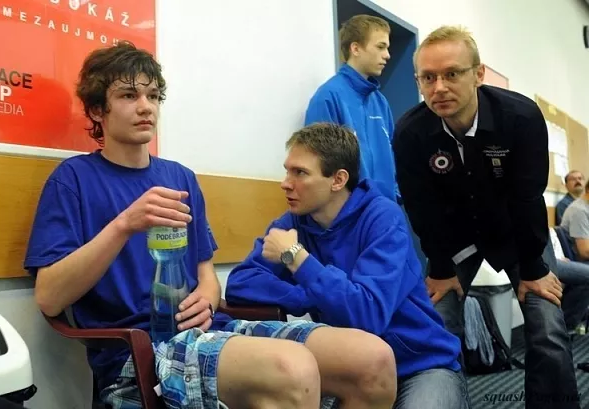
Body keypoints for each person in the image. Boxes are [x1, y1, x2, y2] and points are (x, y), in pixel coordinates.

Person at [23, 41, 398, 409]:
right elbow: (50, 296)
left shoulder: (180, 178)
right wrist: (124, 224)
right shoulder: (72, 179)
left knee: (372, 359)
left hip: (212, 329)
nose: (145, 107)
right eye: (128, 96)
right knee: (292, 369)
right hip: (142, 348)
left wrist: (206, 296)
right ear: (97, 110)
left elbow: (207, 276)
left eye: (153, 96)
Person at [392, 25, 579, 408]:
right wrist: (441, 268)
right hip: (453, 240)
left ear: (478, 74)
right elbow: (420, 206)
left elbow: (528, 197)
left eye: (451, 73)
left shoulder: (519, 117)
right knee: (436, 327)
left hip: (516, 233)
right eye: (428, 77)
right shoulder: (410, 132)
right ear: (418, 82)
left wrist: (532, 268)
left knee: (547, 327)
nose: (439, 87)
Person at [225, 122, 469, 409]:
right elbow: (241, 283)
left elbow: (367, 315)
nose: (285, 182)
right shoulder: (293, 222)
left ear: (338, 180)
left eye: (300, 172)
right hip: (353, 370)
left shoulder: (383, 218)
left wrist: (296, 258)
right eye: (287, 170)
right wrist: (306, 295)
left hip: (420, 366)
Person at [304, 14, 397, 202]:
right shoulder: (328, 97)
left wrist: (395, 195)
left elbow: (395, 154)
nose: (387, 55)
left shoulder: (380, 102)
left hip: (385, 211)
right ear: (356, 48)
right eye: (380, 47)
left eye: (387, 48)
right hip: (347, 217)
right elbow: (318, 167)